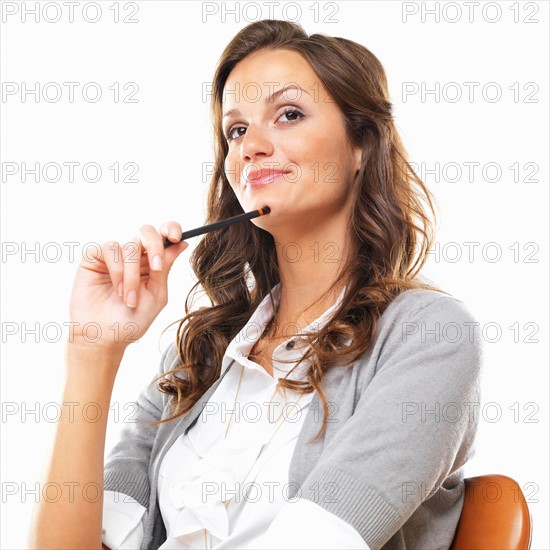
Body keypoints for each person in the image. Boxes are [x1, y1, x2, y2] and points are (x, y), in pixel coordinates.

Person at [28, 19, 482, 550]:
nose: (250, 148)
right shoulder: (195, 356)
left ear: (361, 145)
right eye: (236, 130)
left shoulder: (429, 335)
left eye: (288, 115)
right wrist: (92, 352)